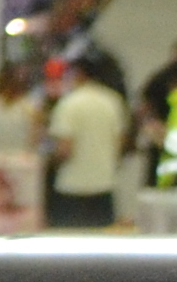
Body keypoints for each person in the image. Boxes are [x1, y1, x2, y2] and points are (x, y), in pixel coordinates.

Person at [43, 66, 130, 230]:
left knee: (70, 243)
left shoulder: (69, 103)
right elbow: (120, 143)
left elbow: (65, 148)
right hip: (104, 184)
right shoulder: (112, 101)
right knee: (101, 245)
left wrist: (49, 162)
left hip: (71, 186)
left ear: (79, 75)